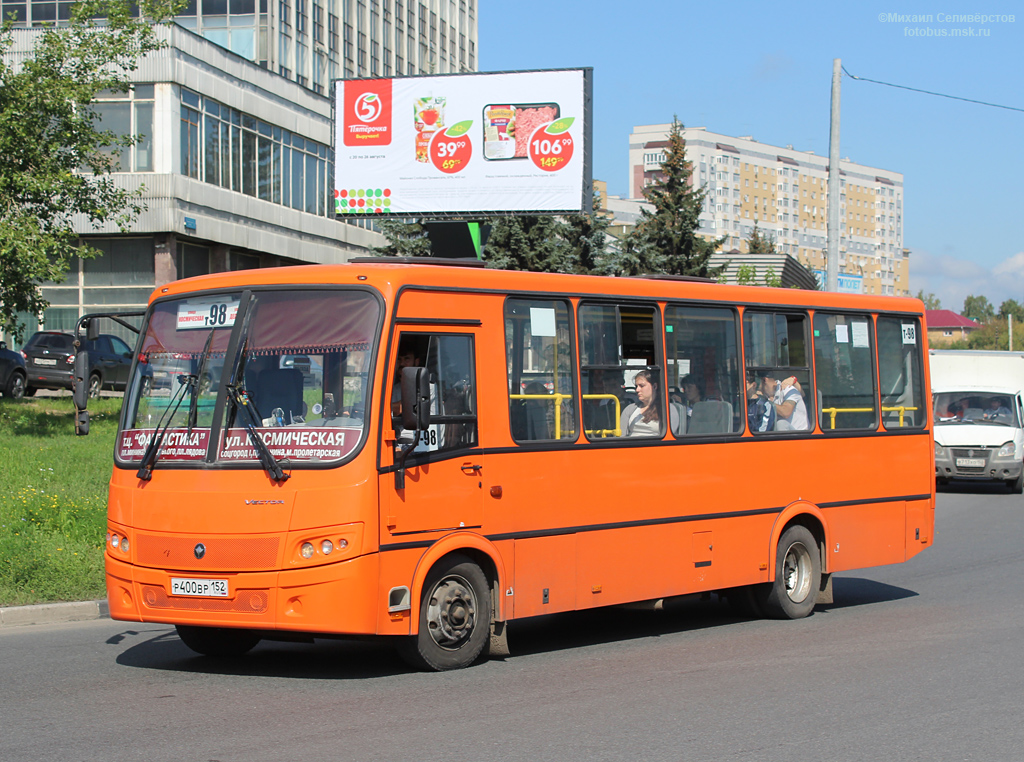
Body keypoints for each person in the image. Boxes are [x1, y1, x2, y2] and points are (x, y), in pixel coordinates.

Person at [620, 369, 679, 437]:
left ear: (654, 386)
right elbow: (622, 435)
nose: (637, 390)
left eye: (641, 386)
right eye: (636, 386)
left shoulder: (667, 409)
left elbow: (670, 437)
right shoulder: (630, 409)